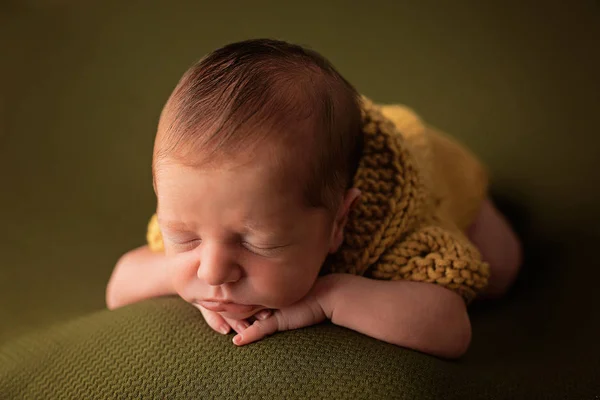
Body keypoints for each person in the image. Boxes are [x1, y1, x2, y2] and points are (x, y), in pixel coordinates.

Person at [106, 38, 522, 359]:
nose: (214, 270)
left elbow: (451, 328)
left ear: (339, 223)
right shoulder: (212, 201)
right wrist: (189, 286)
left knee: (500, 270)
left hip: (442, 172)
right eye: (185, 238)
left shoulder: (396, 230)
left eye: (256, 243)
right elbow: (120, 283)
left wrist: (330, 296)